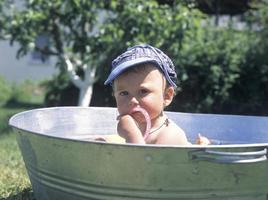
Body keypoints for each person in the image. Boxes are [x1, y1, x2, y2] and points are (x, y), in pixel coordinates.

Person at [104, 44, 210, 145]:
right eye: (124, 93)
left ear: (166, 96)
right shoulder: (137, 127)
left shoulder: (170, 136)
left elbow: (141, 161)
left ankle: (202, 146)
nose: (132, 100)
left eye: (143, 91)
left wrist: (132, 134)